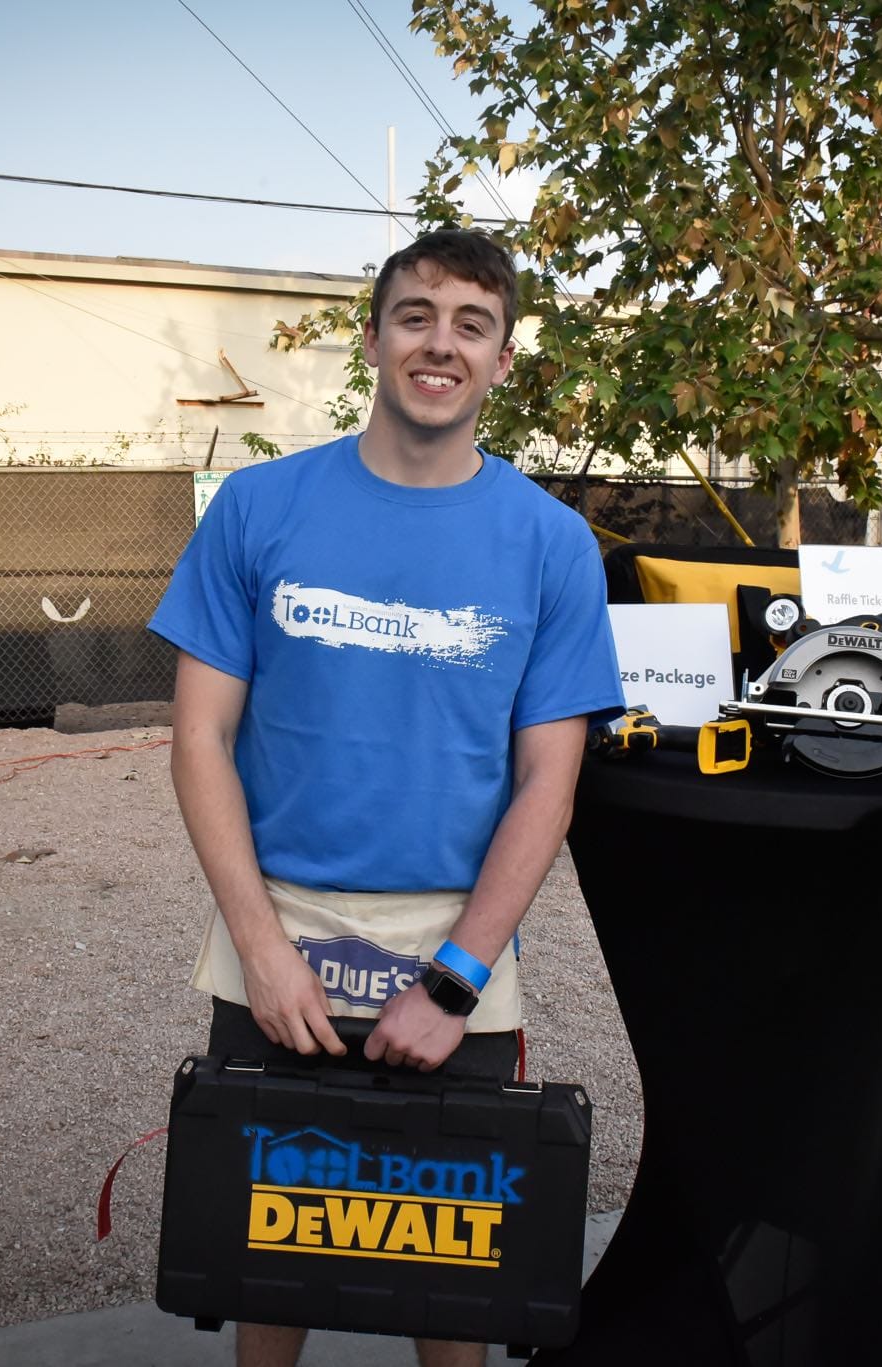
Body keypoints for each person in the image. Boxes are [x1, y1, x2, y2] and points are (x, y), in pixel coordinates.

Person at [147, 228, 624, 1367]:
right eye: (415, 315)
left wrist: (454, 981)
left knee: (449, 1275)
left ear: (503, 359)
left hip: (452, 941)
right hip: (281, 927)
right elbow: (199, 739)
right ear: (372, 337)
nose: (439, 344)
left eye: (470, 324)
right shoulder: (258, 510)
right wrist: (261, 949)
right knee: (274, 1249)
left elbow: (546, 786)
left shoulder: (553, 545)